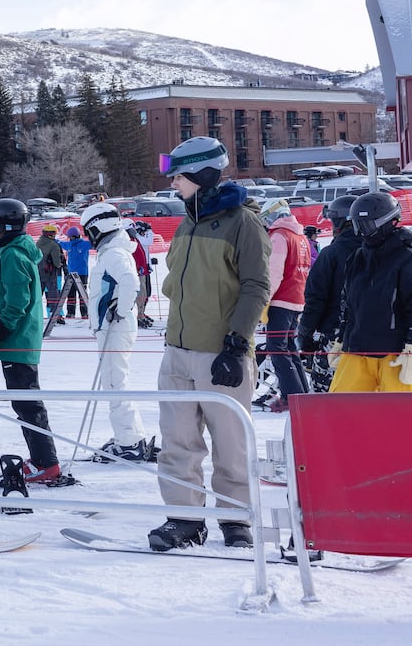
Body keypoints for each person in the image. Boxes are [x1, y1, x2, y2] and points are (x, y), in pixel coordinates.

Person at [149, 137, 269, 552]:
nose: (173, 183)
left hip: (222, 353)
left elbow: (256, 286)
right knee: (177, 442)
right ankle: (185, 520)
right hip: (178, 353)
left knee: (230, 443)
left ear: (202, 175)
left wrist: (236, 344)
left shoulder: (243, 222)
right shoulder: (187, 220)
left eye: (178, 176)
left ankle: (236, 520)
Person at [0, 199, 71, 487]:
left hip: (17, 341)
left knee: (27, 403)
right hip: (19, 340)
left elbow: (18, 301)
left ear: (4, 225)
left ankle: (46, 463)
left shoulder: (13, 256)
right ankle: (43, 460)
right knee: (25, 402)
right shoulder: (15, 251)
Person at [329, 192, 412, 394]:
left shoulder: (408, 258)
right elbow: (349, 303)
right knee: (342, 409)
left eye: (366, 226)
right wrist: (342, 338)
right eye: (358, 226)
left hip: (396, 351)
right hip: (357, 348)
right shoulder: (358, 257)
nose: (362, 233)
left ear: (388, 222)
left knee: (401, 415)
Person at [82, 202, 150, 461]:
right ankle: (129, 436)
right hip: (112, 326)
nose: (89, 237)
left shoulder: (114, 254)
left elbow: (131, 282)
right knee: (114, 382)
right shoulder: (112, 251)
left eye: (90, 232)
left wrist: (119, 311)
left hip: (115, 327)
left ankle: (129, 442)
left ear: (100, 227)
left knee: (114, 383)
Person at [297, 193, 366, 372]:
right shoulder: (378, 250)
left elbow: (315, 298)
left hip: (335, 333)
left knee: (328, 391)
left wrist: (305, 333)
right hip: (375, 333)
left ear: (340, 222)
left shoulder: (331, 254)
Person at [257, 199, 311, 412]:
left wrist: (263, 299)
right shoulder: (300, 236)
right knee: (288, 347)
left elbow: (274, 273)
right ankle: (300, 392)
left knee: (276, 347)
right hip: (296, 298)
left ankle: (291, 395)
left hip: (281, 299)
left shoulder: (279, 235)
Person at [35, 223, 68, 324]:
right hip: (50, 273)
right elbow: (57, 263)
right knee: (53, 295)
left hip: (38, 272)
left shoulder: (38, 243)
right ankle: (56, 315)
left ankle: (33, 314)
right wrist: (61, 261)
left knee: (37, 295)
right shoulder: (54, 245)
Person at [60, 225, 92, 321]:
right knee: (70, 294)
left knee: (82, 294)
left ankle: (85, 313)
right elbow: (60, 243)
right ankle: (70, 313)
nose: (70, 239)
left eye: (71, 237)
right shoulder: (69, 244)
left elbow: (95, 243)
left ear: (75, 236)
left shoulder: (85, 244)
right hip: (71, 273)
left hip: (82, 273)